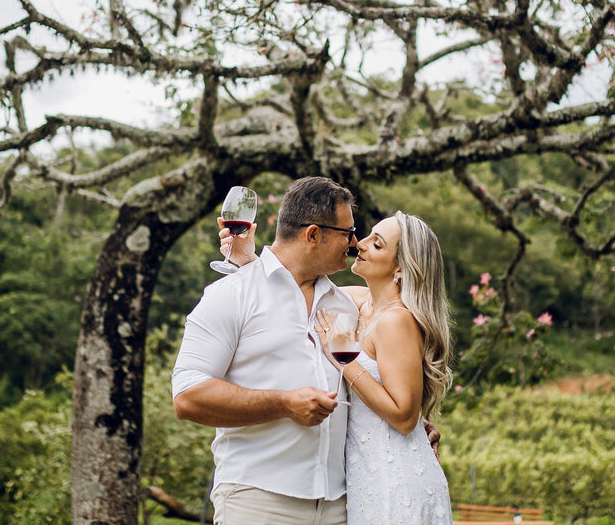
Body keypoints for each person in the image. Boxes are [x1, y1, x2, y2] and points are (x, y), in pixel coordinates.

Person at [227, 208, 453, 525]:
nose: (358, 243)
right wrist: (248, 260)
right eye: (367, 235)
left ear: (400, 267)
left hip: (395, 478)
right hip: (363, 479)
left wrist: (342, 358)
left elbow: (404, 417)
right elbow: (293, 294)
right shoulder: (358, 302)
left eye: (377, 244)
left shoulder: (396, 321)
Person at [172, 177, 359, 525]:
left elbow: (360, 389)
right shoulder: (231, 294)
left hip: (340, 506)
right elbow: (187, 396)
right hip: (257, 501)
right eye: (347, 233)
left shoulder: (347, 306)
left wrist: (408, 428)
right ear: (314, 234)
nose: (355, 242)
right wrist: (284, 404)